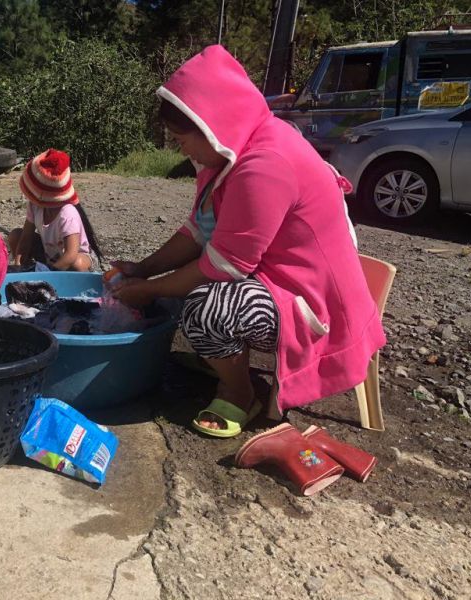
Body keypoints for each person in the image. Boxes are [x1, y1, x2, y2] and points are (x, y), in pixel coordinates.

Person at [111, 46, 385, 438]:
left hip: (313, 301)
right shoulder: (232, 152)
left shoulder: (264, 164)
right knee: (178, 292)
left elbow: (224, 265)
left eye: (181, 139)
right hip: (277, 276)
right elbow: (198, 230)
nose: (181, 149)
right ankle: (222, 355)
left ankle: (240, 392)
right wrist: (143, 269)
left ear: (211, 126)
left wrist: (148, 289)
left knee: (204, 308)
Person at [8, 149, 103, 272]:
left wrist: (48, 273)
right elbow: (25, 239)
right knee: (16, 235)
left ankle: (56, 275)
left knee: (77, 264)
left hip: (75, 258)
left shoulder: (67, 213)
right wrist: (18, 265)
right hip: (50, 256)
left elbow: (70, 255)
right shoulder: (35, 206)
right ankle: (30, 271)